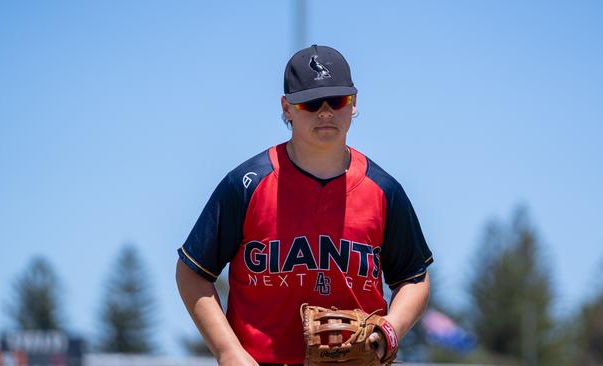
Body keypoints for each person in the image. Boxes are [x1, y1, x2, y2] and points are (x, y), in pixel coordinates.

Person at [176, 44, 433, 366]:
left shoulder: (383, 190)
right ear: (287, 107)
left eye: (337, 100)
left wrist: (389, 332)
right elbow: (192, 272)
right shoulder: (246, 184)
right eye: (311, 103)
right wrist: (228, 351)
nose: (325, 111)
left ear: (353, 104)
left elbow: (414, 277)